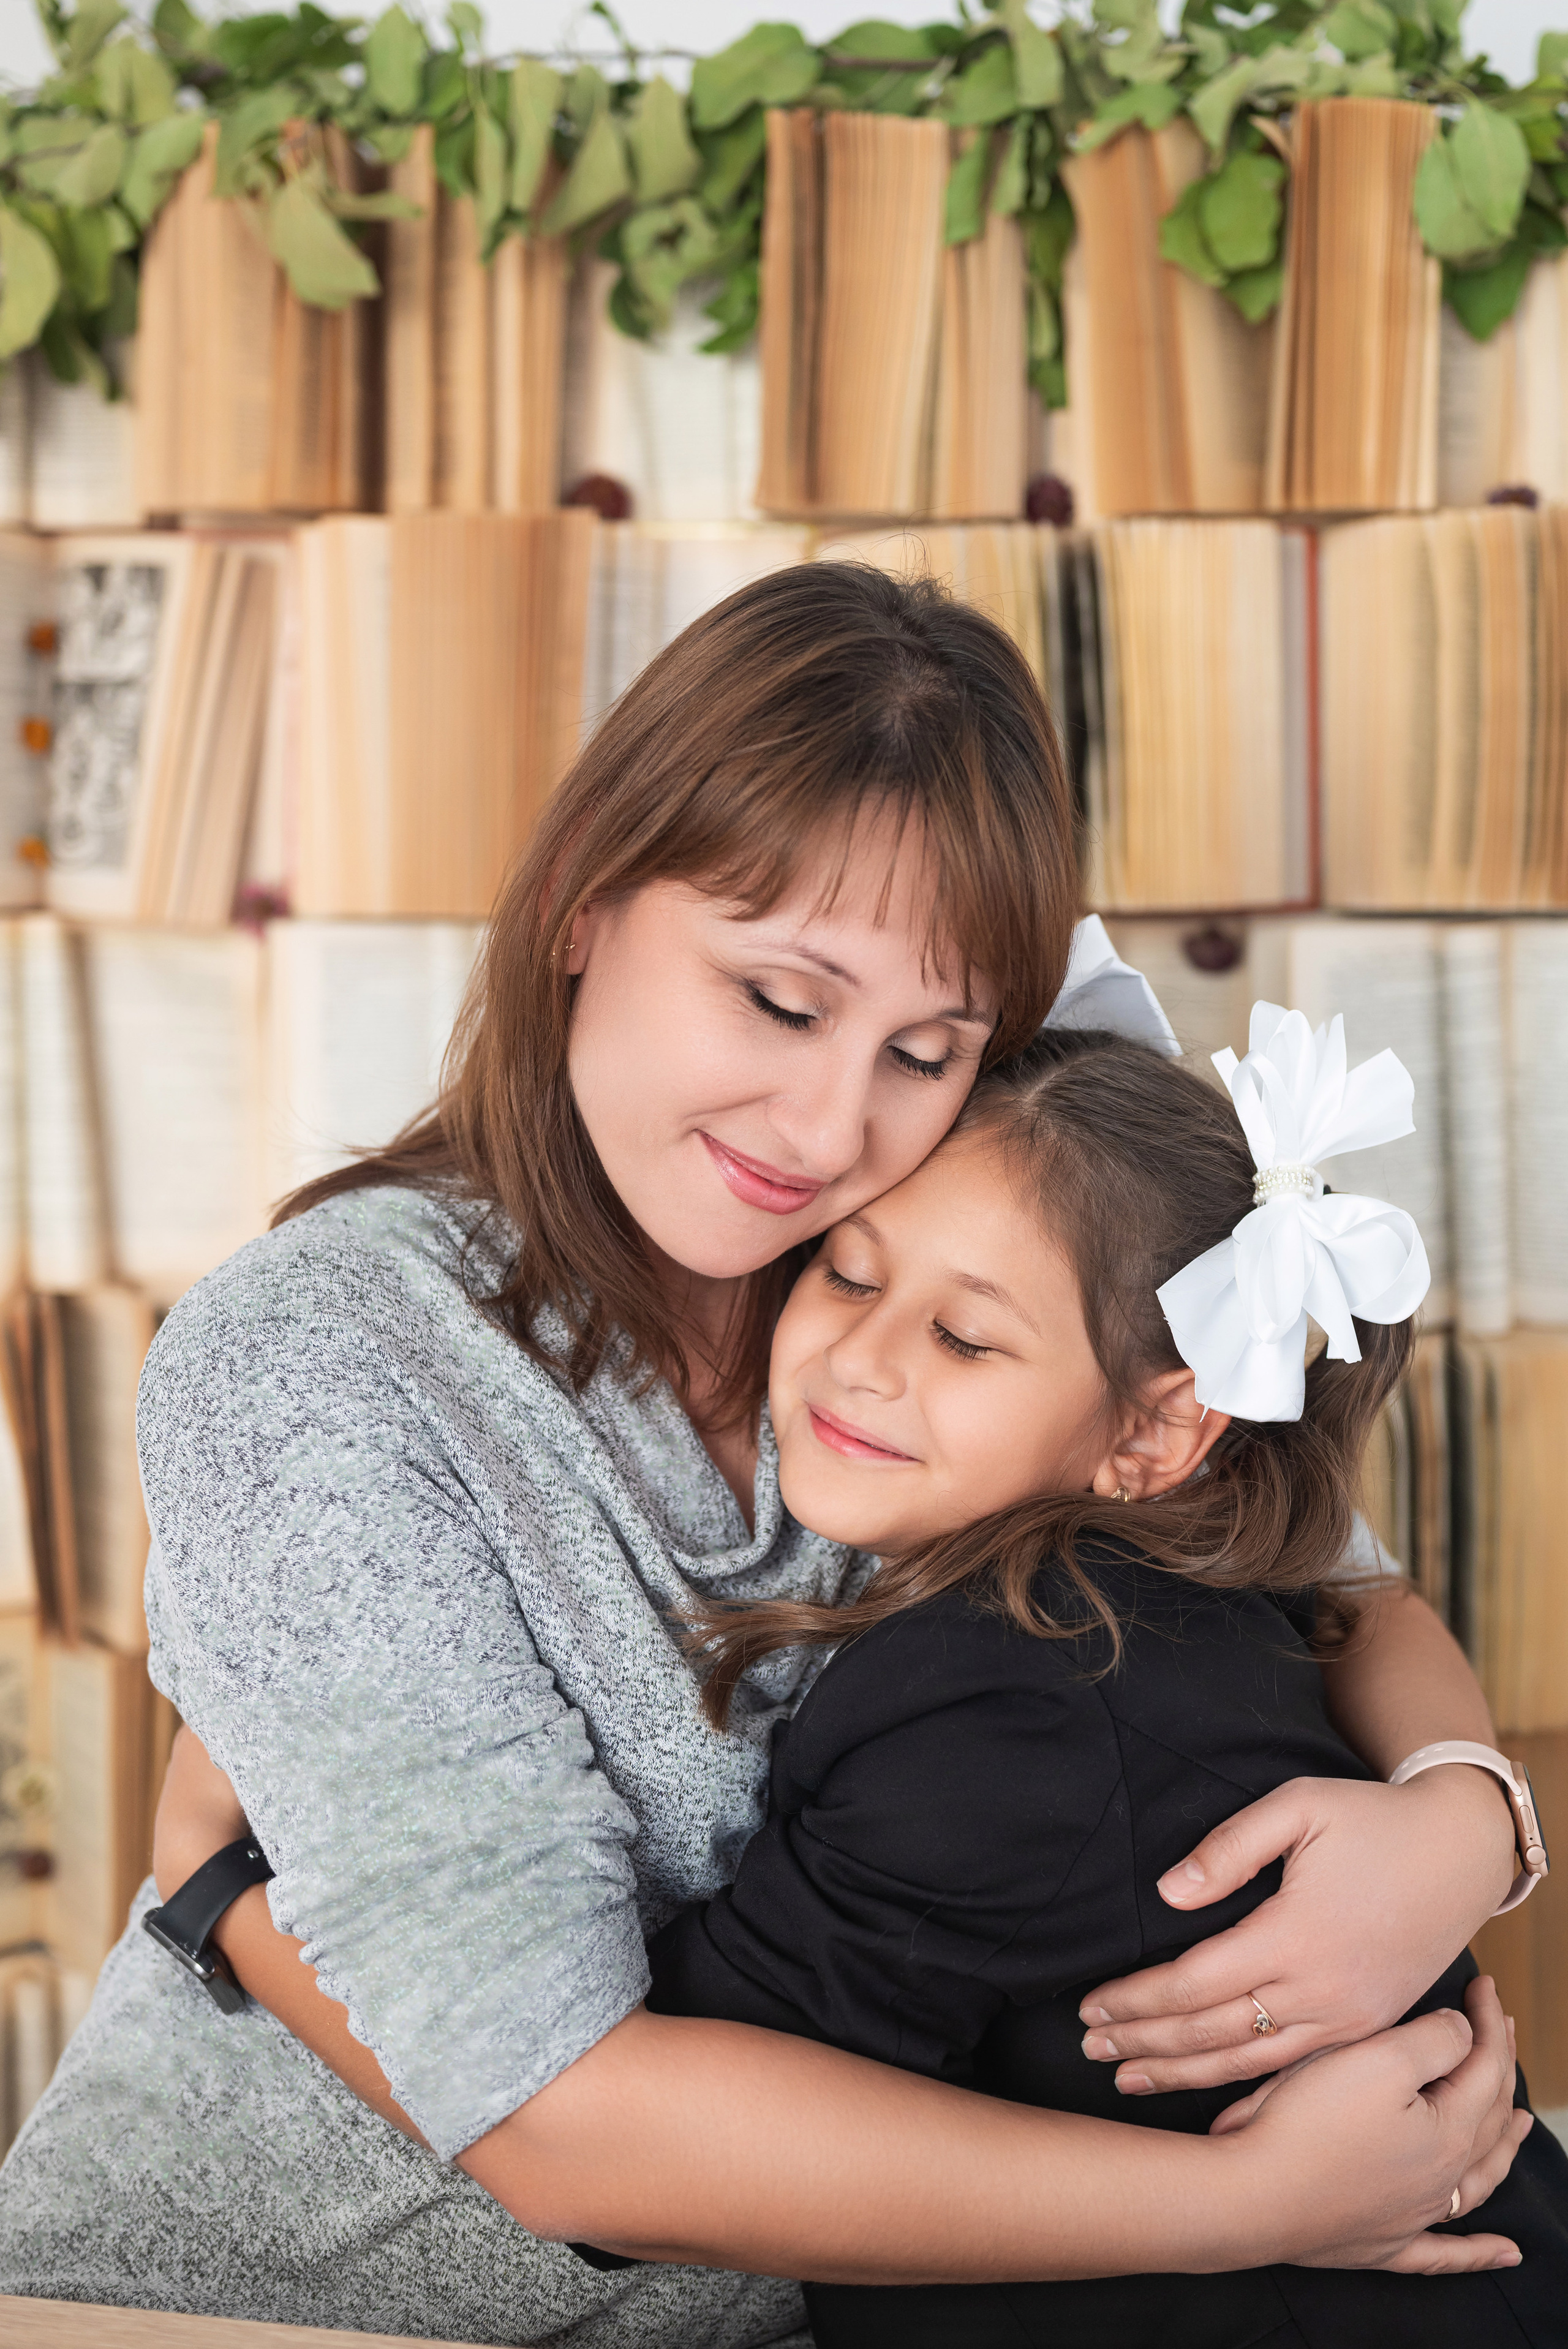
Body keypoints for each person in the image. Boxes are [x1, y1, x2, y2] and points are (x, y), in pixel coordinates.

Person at [0, 569, 1526, 2342]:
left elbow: (1319, 1573)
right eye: (779, 1003)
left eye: (924, 1049)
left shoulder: (973, 1155)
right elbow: (558, 2120)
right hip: (279, 2302)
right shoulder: (327, 1357)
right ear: (584, 901)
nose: (828, 1131)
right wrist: (1246, 2203)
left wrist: (1464, 1814)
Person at [643, 1014, 1567, 2347]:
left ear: (1152, 1429)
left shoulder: (999, 1704)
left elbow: (660, 2126)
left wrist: (241, 1883)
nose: (861, 1355)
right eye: (845, 1274)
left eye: (963, 1338)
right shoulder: (1171, 1588)